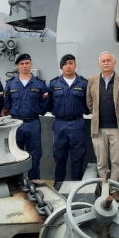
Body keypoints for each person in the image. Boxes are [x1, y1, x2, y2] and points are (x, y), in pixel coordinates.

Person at [86, 51, 119, 202]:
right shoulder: (92, 80)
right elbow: (89, 102)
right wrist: (96, 114)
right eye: (103, 61)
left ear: (114, 63)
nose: (106, 63)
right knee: (101, 162)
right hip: (98, 129)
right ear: (99, 64)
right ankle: (104, 188)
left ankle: (113, 189)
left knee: (116, 161)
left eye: (108, 60)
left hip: (117, 129)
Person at [4, 53, 49, 180]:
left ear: (31, 64)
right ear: (17, 66)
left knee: (34, 155)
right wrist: (13, 112)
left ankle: (33, 181)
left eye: (27, 63)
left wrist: (36, 111)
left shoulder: (39, 84)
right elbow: (6, 102)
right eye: (22, 64)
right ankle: (16, 182)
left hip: (33, 123)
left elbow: (45, 102)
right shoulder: (11, 84)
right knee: (16, 154)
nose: (25, 66)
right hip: (16, 124)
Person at [48, 54, 89, 187]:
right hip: (59, 123)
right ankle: (58, 183)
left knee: (78, 156)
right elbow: (48, 104)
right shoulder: (54, 84)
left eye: (71, 63)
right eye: (65, 64)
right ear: (61, 67)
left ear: (75, 65)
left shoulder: (83, 83)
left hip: (77, 123)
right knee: (59, 155)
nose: (68, 66)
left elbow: (88, 104)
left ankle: (77, 185)